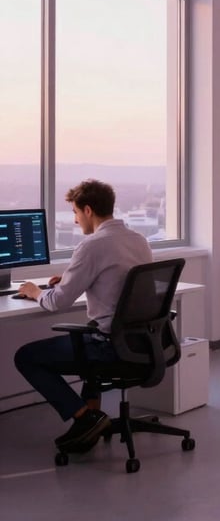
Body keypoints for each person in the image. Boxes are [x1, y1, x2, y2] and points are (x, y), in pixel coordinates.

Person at [14, 179, 152, 453]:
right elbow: (116, 278)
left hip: (110, 346)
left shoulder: (93, 245)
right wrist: (70, 279)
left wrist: (33, 291)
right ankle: (88, 424)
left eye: (76, 213)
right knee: (88, 331)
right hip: (142, 341)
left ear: (88, 210)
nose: (76, 221)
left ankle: (85, 417)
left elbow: (57, 303)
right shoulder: (138, 240)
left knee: (26, 357)